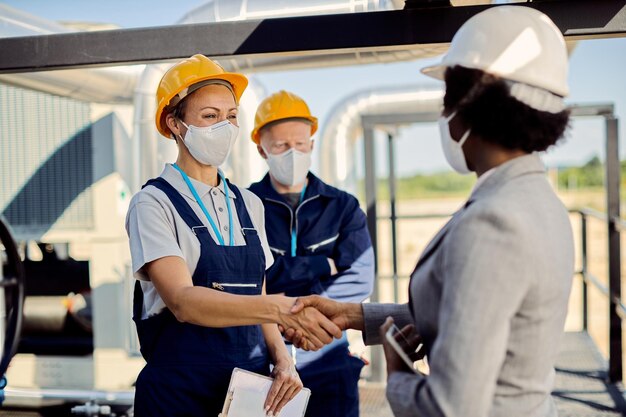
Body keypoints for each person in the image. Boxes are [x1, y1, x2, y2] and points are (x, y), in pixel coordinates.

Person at [285, 6, 574, 417]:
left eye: (446, 101)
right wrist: (353, 315)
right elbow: (473, 314)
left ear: (469, 106)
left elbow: (449, 407)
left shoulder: (495, 223)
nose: (444, 116)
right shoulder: (534, 199)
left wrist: (398, 370)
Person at [125, 54, 342, 417]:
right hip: (178, 396)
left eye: (230, 116)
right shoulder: (152, 204)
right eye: (210, 116)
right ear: (174, 123)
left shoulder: (249, 204)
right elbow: (183, 301)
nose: (224, 127)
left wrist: (283, 358)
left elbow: (256, 292)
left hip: (246, 392)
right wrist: (282, 309)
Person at [248, 90, 375, 417]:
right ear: (262, 149)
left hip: (328, 356)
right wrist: (322, 263)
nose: (293, 153)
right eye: (280, 146)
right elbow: (246, 281)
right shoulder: (243, 207)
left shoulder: (342, 206)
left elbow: (359, 279)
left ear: (312, 145)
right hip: (260, 360)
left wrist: (309, 324)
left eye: (300, 145)